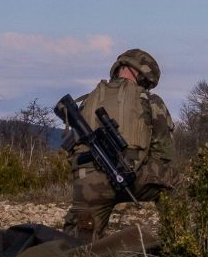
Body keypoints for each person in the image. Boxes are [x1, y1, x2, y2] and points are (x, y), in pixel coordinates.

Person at [61, 48, 175, 240]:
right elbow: (164, 153)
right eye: (146, 82)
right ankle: (179, 240)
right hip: (132, 175)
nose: (146, 87)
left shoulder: (87, 100)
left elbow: (73, 149)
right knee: (176, 183)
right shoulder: (149, 100)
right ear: (139, 72)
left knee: (77, 249)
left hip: (90, 184)